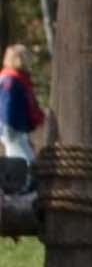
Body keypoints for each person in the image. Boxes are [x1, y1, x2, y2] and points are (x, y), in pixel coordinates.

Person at [0, 46, 37, 194]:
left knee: (20, 159)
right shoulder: (11, 80)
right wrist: (8, 126)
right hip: (11, 128)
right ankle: (20, 190)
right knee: (24, 160)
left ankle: (17, 188)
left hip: (14, 127)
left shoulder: (12, 78)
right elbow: (7, 105)